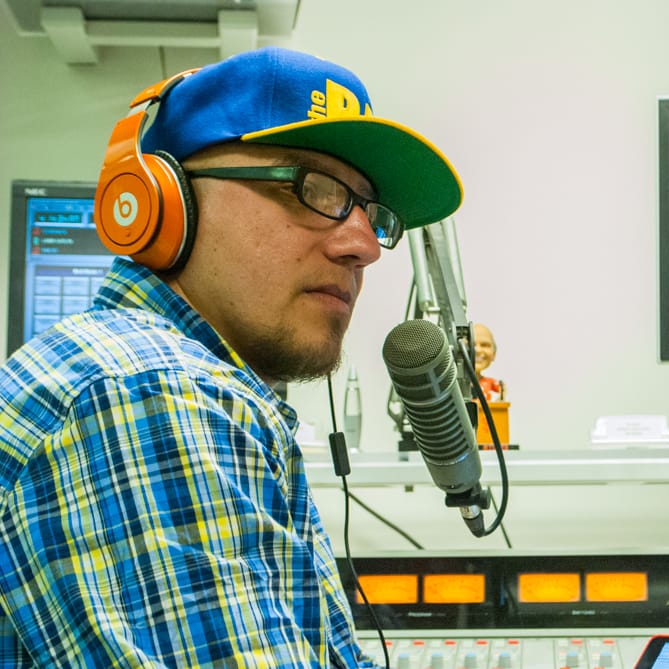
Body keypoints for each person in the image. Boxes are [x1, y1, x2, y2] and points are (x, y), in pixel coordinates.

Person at [0, 47, 462, 667]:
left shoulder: (184, 389)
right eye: (313, 189)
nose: (363, 246)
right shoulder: (147, 389)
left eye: (370, 212)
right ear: (162, 201)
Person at [473, 322, 505, 401]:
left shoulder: (494, 384)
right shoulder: (452, 386)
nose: (478, 350)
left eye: (485, 345)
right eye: (472, 344)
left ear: (494, 354)